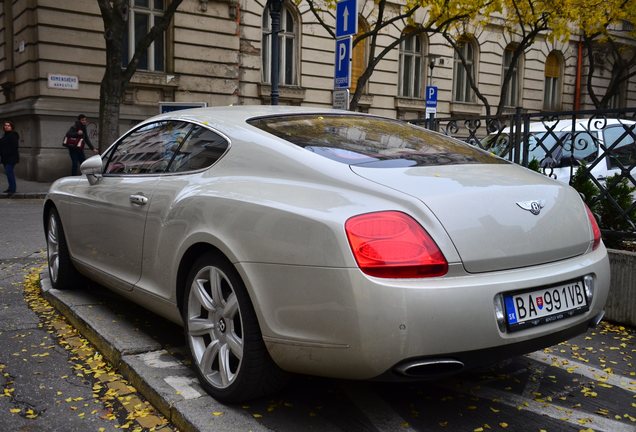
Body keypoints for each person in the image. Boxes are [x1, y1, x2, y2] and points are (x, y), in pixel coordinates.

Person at [0, 120, 19, 195]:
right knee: (8, 173)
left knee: (9, 172)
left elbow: (14, 147)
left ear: (12, 127)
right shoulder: (4, 135)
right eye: (5, 125)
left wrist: (5, 153)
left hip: (11, 158)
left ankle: (12, 189)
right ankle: (10, 188)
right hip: (5, 158)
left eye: (8, 125)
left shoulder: (13, 135)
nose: (7, 127)